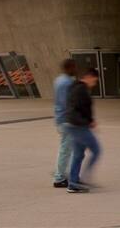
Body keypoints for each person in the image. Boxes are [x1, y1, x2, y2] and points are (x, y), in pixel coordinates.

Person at [64, 68, 101, 193]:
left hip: (71, 124)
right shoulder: (82, 89)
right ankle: (83, 179)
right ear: (89, 77)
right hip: (79, 125)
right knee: (97, 150)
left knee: (78, 154)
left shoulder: (74, 86)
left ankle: (73, 182)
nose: (94, 84)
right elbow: (83, 107)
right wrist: (90, 121)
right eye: (94, 81)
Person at [50, 59, 78, 188]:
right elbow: (68, 103)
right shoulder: (67, 82)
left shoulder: (59, 80)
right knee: (66, 150)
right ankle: (59, 177)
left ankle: (64, 174)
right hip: (67, 120)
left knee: (68, 149)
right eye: (74, 67)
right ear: (69, 68)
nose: (76, 69)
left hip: (61, 119)